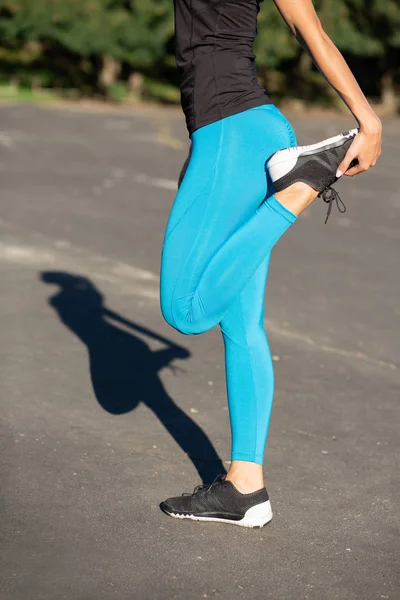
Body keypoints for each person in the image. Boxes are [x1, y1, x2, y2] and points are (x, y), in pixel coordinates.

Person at [158, 0, 382, 527]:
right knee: (241, 325)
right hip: (246, 130)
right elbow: (309, 26)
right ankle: (245, 488)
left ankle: (300, 187)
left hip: (229, 131)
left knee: (186, 310)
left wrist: (367, 120)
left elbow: (309, 28)